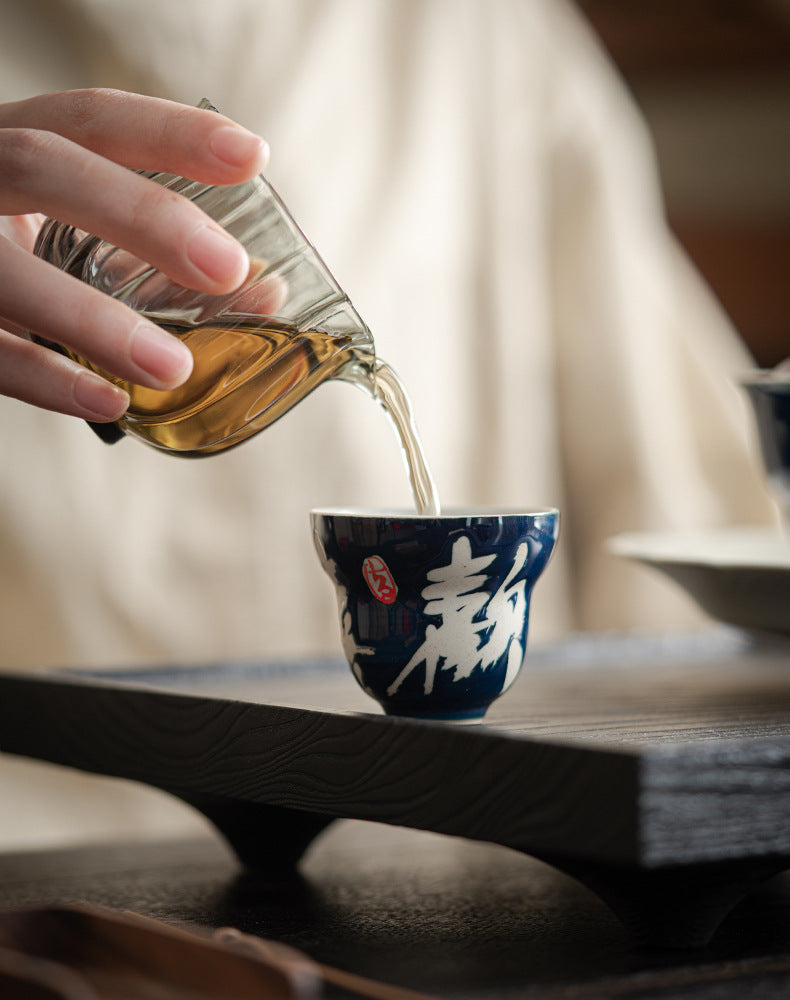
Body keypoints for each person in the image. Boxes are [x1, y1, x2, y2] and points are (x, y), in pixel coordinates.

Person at [0, 0, 776, 849]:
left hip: (472, 845)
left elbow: (674, 487)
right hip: (47, 846)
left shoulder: (474, 32)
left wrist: (677, 818)